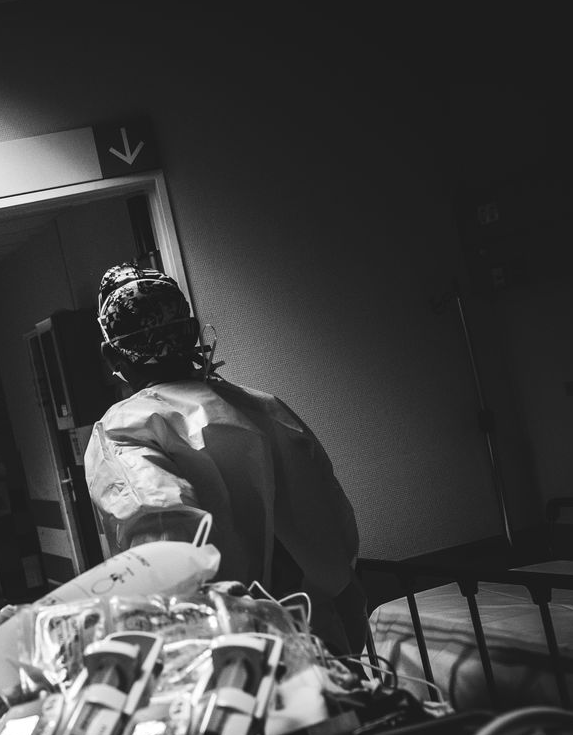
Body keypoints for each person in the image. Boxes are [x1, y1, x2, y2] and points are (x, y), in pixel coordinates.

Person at [82, 263, 368, 657]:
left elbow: (166, 558)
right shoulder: (266, 408)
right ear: (192, 331)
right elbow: (336, 527)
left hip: (236, 657)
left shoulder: (123, 429)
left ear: (111, 354)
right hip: (326, 637)